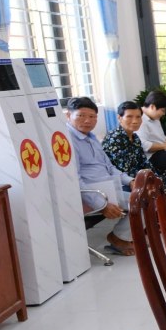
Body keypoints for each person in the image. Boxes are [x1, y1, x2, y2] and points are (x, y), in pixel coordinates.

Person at [66, 97, 135, 256]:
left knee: (145, 198)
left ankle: (123, 237)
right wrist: (102, 204)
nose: (87, 121)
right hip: (91, 194)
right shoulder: (67, 141)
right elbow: (74, 179)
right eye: (81, 116)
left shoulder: (91, 137)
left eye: (92, 116)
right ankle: (119, 238)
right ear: (68, 116)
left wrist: (130, 180)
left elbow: (109, 167)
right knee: (141, 203)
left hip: (109, 188)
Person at [103, 101, 166, 205]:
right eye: (129, 117)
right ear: (119, 118)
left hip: (140, 175)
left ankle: (160, 212)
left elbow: (144, 162)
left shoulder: (135, 137)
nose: (135, 121)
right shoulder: (114, 138)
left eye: (138, 117)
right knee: (155, 187)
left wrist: (155, 178)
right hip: (125, 180)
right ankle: (155, 212)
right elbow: (123, 170)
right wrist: (150, 180)